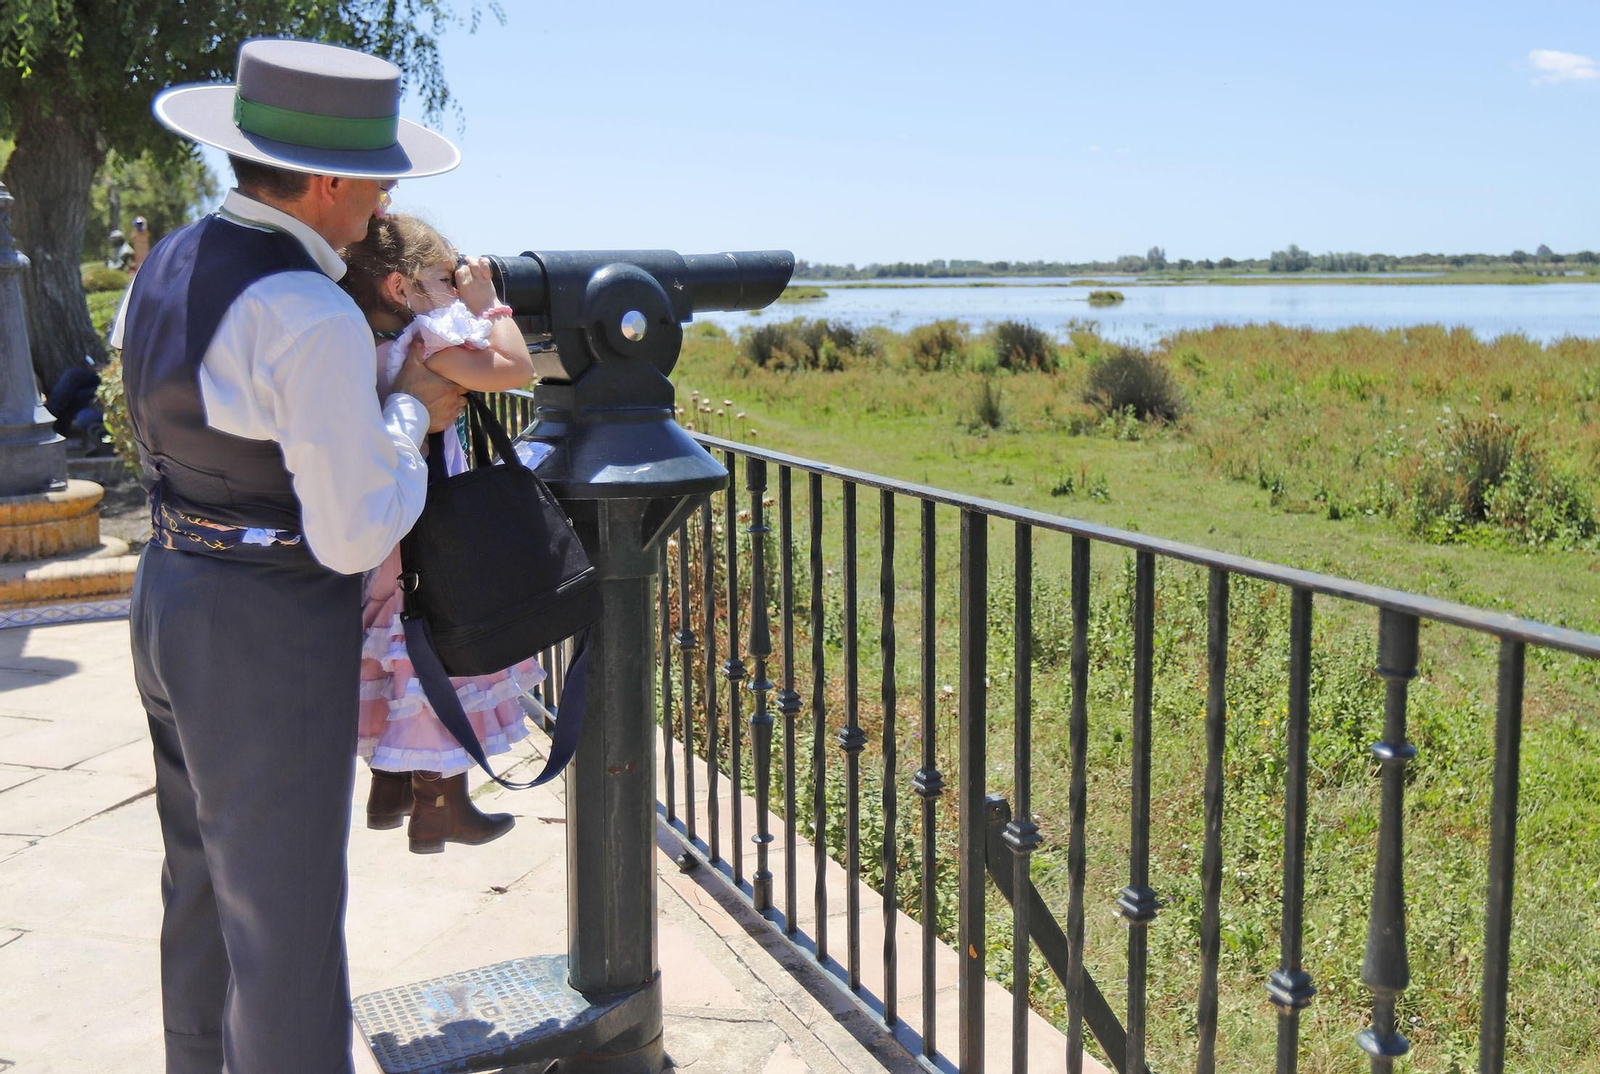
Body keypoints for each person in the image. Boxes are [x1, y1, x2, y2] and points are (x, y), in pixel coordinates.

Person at [114, 39, 465, 1074]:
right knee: (287, 928)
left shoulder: (169, 259)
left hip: (169, 588)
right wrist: (410, 412)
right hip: (263, 624)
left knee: (201, 889)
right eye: (378, 175)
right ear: (326, 183)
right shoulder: (308, 311)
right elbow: (354, 528)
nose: (389, 194)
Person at [338, 212, 540, 852]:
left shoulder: (353, 340)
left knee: (394, 642)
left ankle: (391, 789)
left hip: (382, 525)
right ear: (400, 287)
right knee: (436, 648)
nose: (453, 289)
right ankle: (440, 807)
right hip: (424, 521)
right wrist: (489, 304)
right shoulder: (426, 341)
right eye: (443, 277)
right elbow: (514, 368)